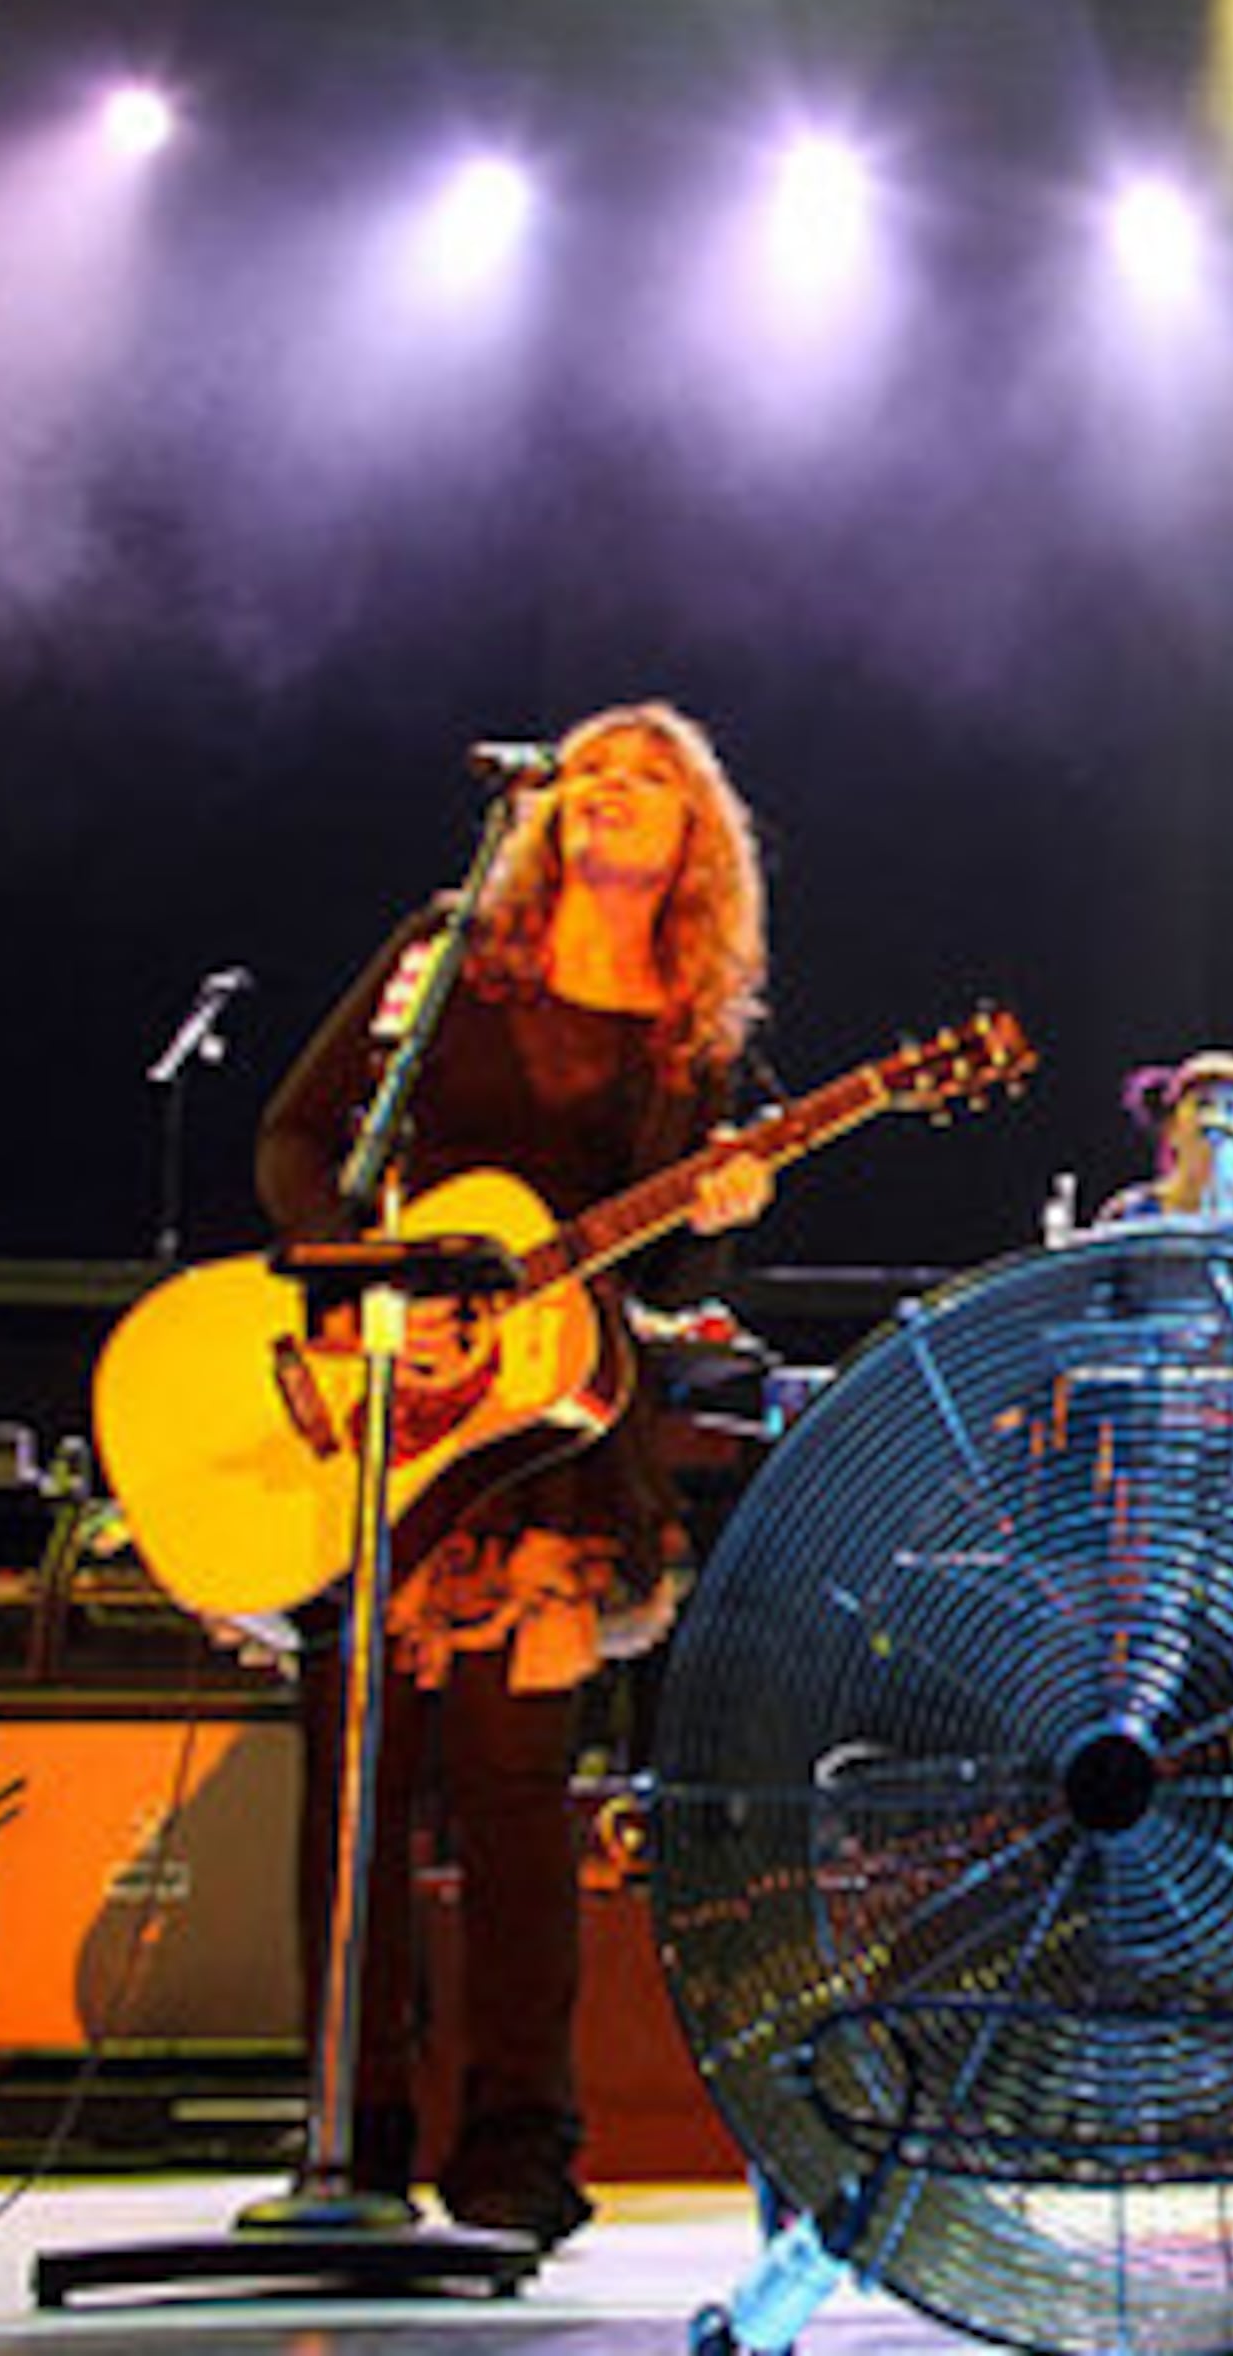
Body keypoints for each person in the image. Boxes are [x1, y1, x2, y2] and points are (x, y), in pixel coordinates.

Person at [254, 700, 774, 2245]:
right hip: (390, 1423)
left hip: (552, 1452)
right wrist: (357, 1292)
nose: (606, 788)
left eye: (648, 780)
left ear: (694, 844)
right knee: (355, 1794)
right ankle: (350, 2138)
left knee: (515, 1802)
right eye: (590, 769)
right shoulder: (446, 961)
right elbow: (298, 1139)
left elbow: (664, 1265)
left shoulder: (688, 1035)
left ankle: (517, 2153)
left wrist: (719, 1213)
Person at [1094, 1047, 1233, 1234]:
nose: (1217, 1118)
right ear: (1171, 1129)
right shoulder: (1129, 1214)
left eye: (1231, 1108)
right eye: (1203, 1105)